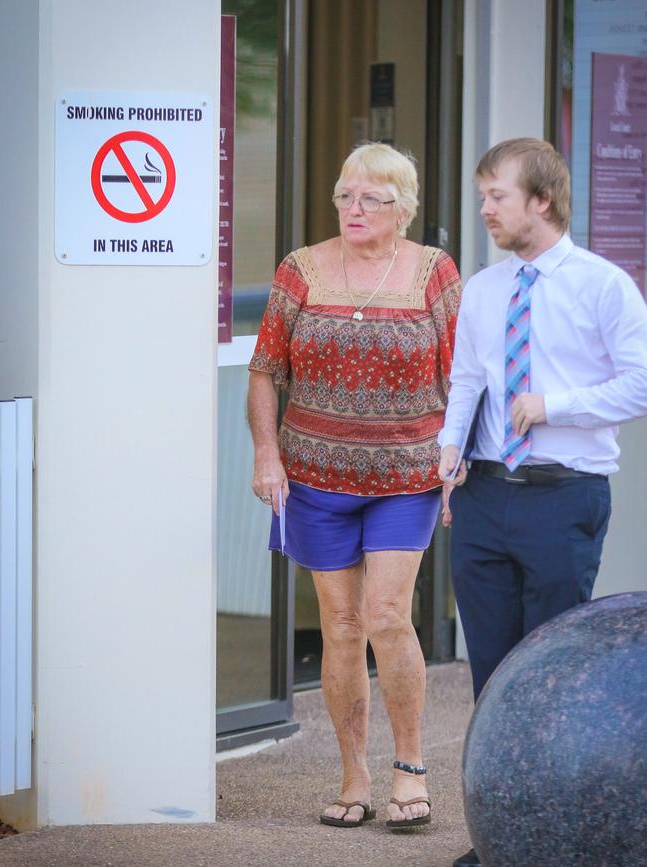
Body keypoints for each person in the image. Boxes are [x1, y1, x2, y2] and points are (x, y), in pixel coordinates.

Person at [438, 137, 647, 867]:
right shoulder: (484, 289)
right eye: (483, 196)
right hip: (486, 495)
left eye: (497, 195)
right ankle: (500, 838)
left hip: (564, 498)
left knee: (555, 676)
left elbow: (640, 383)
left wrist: (553, 404)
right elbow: (467, 379)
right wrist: (448, 451)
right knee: (492, 674)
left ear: (542, 200)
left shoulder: (604, 286)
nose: (486, 209)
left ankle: (562, 844)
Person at [247, 142, 461, 830]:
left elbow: (465, 378)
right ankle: (353, 773)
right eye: (345, 195)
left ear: (404, 208)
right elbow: (262, 371)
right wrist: (266, 455)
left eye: (372, 197)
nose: (354, 208)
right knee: (339, 627)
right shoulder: (300, 269)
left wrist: (458, 470)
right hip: (315, 478)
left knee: (386, 617)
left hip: (407, 476)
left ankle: (409, 765)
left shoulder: (433, 271)